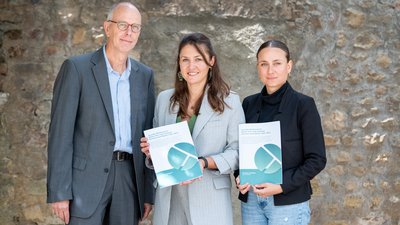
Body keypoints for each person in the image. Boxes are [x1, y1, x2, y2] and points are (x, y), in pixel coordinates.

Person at [46, 2, 155, 225]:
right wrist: (59, 191)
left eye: (135, 27)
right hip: (85, 183)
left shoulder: (145, 76)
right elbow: (60, 134)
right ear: (107, 28)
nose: (129, 32)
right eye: (123, 24)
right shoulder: (77, 69)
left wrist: (148, 192)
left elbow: (148, 136)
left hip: (129, 180)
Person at [140, 32, 245, 225]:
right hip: (170, 200)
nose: (191, 66)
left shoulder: (229, 101)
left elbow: (238, 152)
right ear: (179, 64)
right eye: (185, 59)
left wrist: (204, 162)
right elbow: (159, 156)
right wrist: (151, 152)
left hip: (209, 200)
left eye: (198, 59)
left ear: (211, 61)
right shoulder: (164, 100)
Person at [235, 40, 327, 225]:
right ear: (258, 67)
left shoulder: (303, 105)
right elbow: (240, 150)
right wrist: (239, 175)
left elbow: (317, 159)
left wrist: (281, 185)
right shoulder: (248, 104)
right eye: (264, 64)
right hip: (252, 200)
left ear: (289, 66)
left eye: (277, 63)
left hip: (288, 202)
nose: (270, 70)